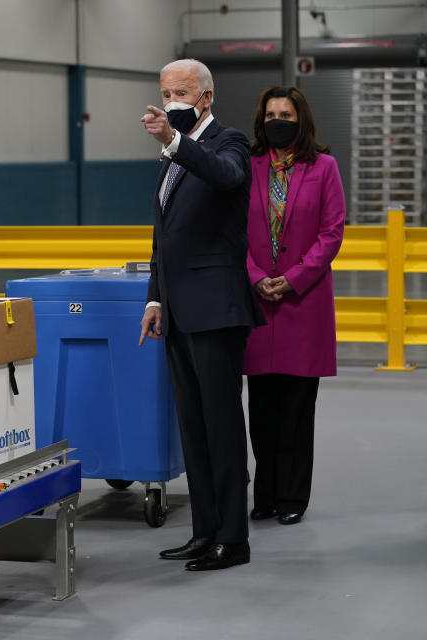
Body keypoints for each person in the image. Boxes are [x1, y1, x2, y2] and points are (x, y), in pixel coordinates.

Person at [139, 58, 264, 571]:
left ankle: (233, 538)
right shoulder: (173, 157)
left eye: (182, 92)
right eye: (166, 91)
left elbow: (226, 176)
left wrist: (173, 141)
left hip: (216, 310)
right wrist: (154, 297)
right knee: (192, 427)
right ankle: (204, 530)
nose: (172, 100)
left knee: (222, 426)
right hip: (177, 312)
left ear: (206, 97)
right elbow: (164, 237)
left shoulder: (228, 143)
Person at [244, 86, 345, 525]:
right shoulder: (247, 166)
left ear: (300, 119)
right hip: (257, 303)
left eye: (285, 114)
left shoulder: (324, 167)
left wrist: (295, 277)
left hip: (303, 303)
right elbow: (230, 228)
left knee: (297, 412)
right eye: (270, 114)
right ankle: (264, 495)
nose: (277, 121)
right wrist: (255, 276)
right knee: (261, 410)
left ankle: (292, 499)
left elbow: (332, 232)